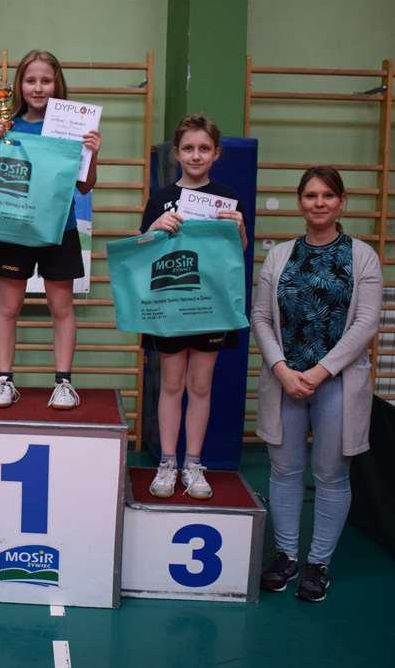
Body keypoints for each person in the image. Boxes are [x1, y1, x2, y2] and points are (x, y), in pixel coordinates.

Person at [252, 166, 382, 602]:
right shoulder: (279, 256)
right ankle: (287, 555)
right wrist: (281, 369)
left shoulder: (362, 256)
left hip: (337, 384)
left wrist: (321, 371)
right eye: (311, 195)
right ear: (300, 202)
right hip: (285, 382)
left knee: (330, 474)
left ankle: (318, 563)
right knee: (285, 470)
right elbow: (261, 317)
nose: (319, 203)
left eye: (328, 195)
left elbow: (365, 323)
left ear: (341, 202)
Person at [139, 114, 247, 499]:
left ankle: (194, 463)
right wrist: (154, 229)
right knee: (171, 383)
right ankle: (168, 462)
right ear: (176, 153)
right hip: (172, 302)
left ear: (216, 153)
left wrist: (240, 230)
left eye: (204, 148)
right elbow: (142, 251)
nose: (196, 155)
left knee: (200, 386)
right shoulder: (160, 198)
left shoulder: (227, 199)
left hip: (210, 305)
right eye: (188, 148)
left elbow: (237, 256)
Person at [0, 49, 101, 411]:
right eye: (31, 80)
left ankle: (63, 383)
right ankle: (4, 380)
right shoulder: (8, 125)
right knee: (9, 306)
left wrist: (93, 152)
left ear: (57, 84)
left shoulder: (73, 127)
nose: (38, 87)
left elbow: (85, 186)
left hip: (59, 227)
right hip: (15, 228)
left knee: (61, 306)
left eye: (46, 80)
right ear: (20, 84)